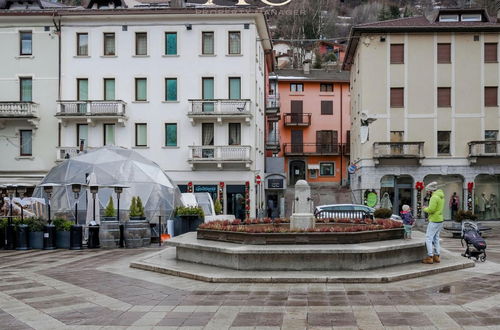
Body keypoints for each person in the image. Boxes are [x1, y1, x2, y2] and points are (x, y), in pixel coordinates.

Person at [422, 182, 445, 264]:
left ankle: (430, 257)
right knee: (436, 238)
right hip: (440, 219)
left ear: (431, 190)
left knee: (428, 238)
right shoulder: (441, 196)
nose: (427, 192)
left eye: (428, 191)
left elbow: (431, 209)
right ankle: (437, 256)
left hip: (434, 220)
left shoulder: (434, 197)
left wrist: (424, 208)